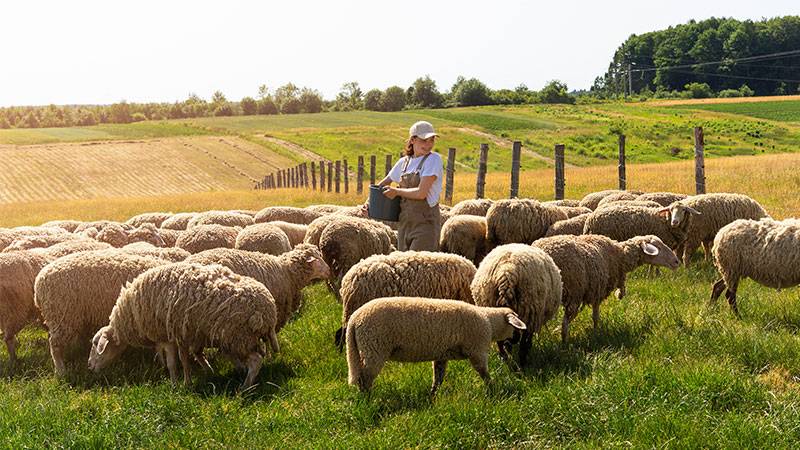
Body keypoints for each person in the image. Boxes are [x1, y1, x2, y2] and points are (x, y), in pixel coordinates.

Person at [376, 120, 443, 251]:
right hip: (404, 224)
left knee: (420, 266)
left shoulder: (433, 160)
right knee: (404, 266)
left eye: (431, 140)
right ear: (412, 140)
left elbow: (421, 193)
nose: (428, 144)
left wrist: (397, 191)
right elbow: (383, 184)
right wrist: (370, 204)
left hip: (425, 225)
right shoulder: (403, 162)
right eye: (424, 140)